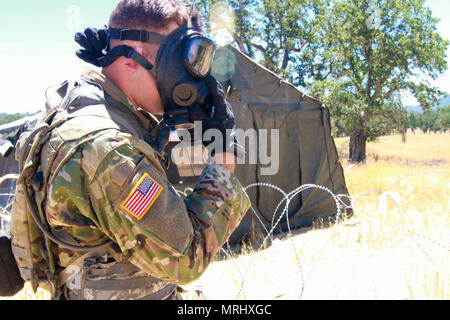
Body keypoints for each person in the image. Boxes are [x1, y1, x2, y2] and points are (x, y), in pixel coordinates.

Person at [9, 0, 250, 300]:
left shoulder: (89, 108)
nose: (190, 78)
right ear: (131, 59)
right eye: (181, 61)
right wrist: (224, 150)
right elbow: (187, 256)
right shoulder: (108, 150)